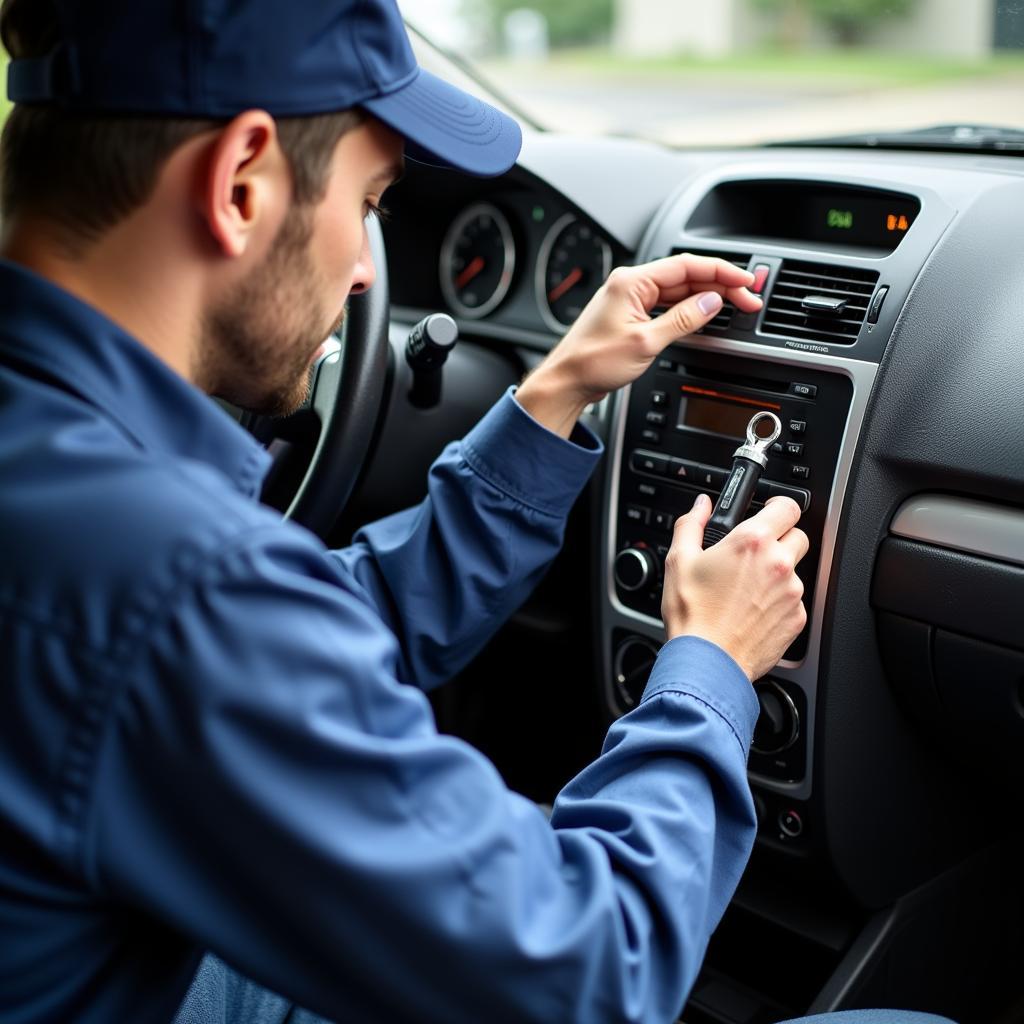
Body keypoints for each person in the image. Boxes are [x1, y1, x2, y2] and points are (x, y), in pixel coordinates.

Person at [0, 2, 952, 1023]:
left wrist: (550, 400)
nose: (369, 268)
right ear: (240, 184)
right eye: (369, 200)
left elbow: (290, 646)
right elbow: (598, 969)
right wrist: (708, 668)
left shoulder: (77, 501)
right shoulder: (165, 583)